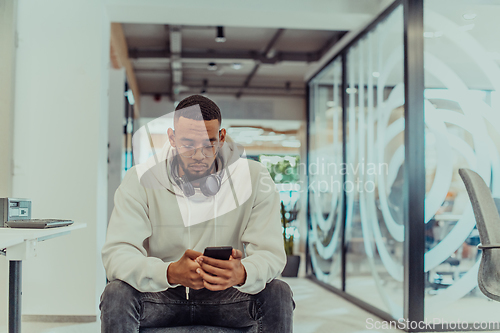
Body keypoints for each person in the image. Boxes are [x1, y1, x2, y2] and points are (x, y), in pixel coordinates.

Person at [99, 95, 294, 332]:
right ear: (172, 138)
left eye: (208, 144)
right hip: (162, 296)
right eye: (188, 144)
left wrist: (242, 273)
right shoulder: (140, 180)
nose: (199, 155)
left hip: (228, 298)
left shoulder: (254, 179)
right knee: (116, 293)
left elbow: (270, 254)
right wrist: (169, 273)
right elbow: (117, 254)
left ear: (221, 138)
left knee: (278, 292)